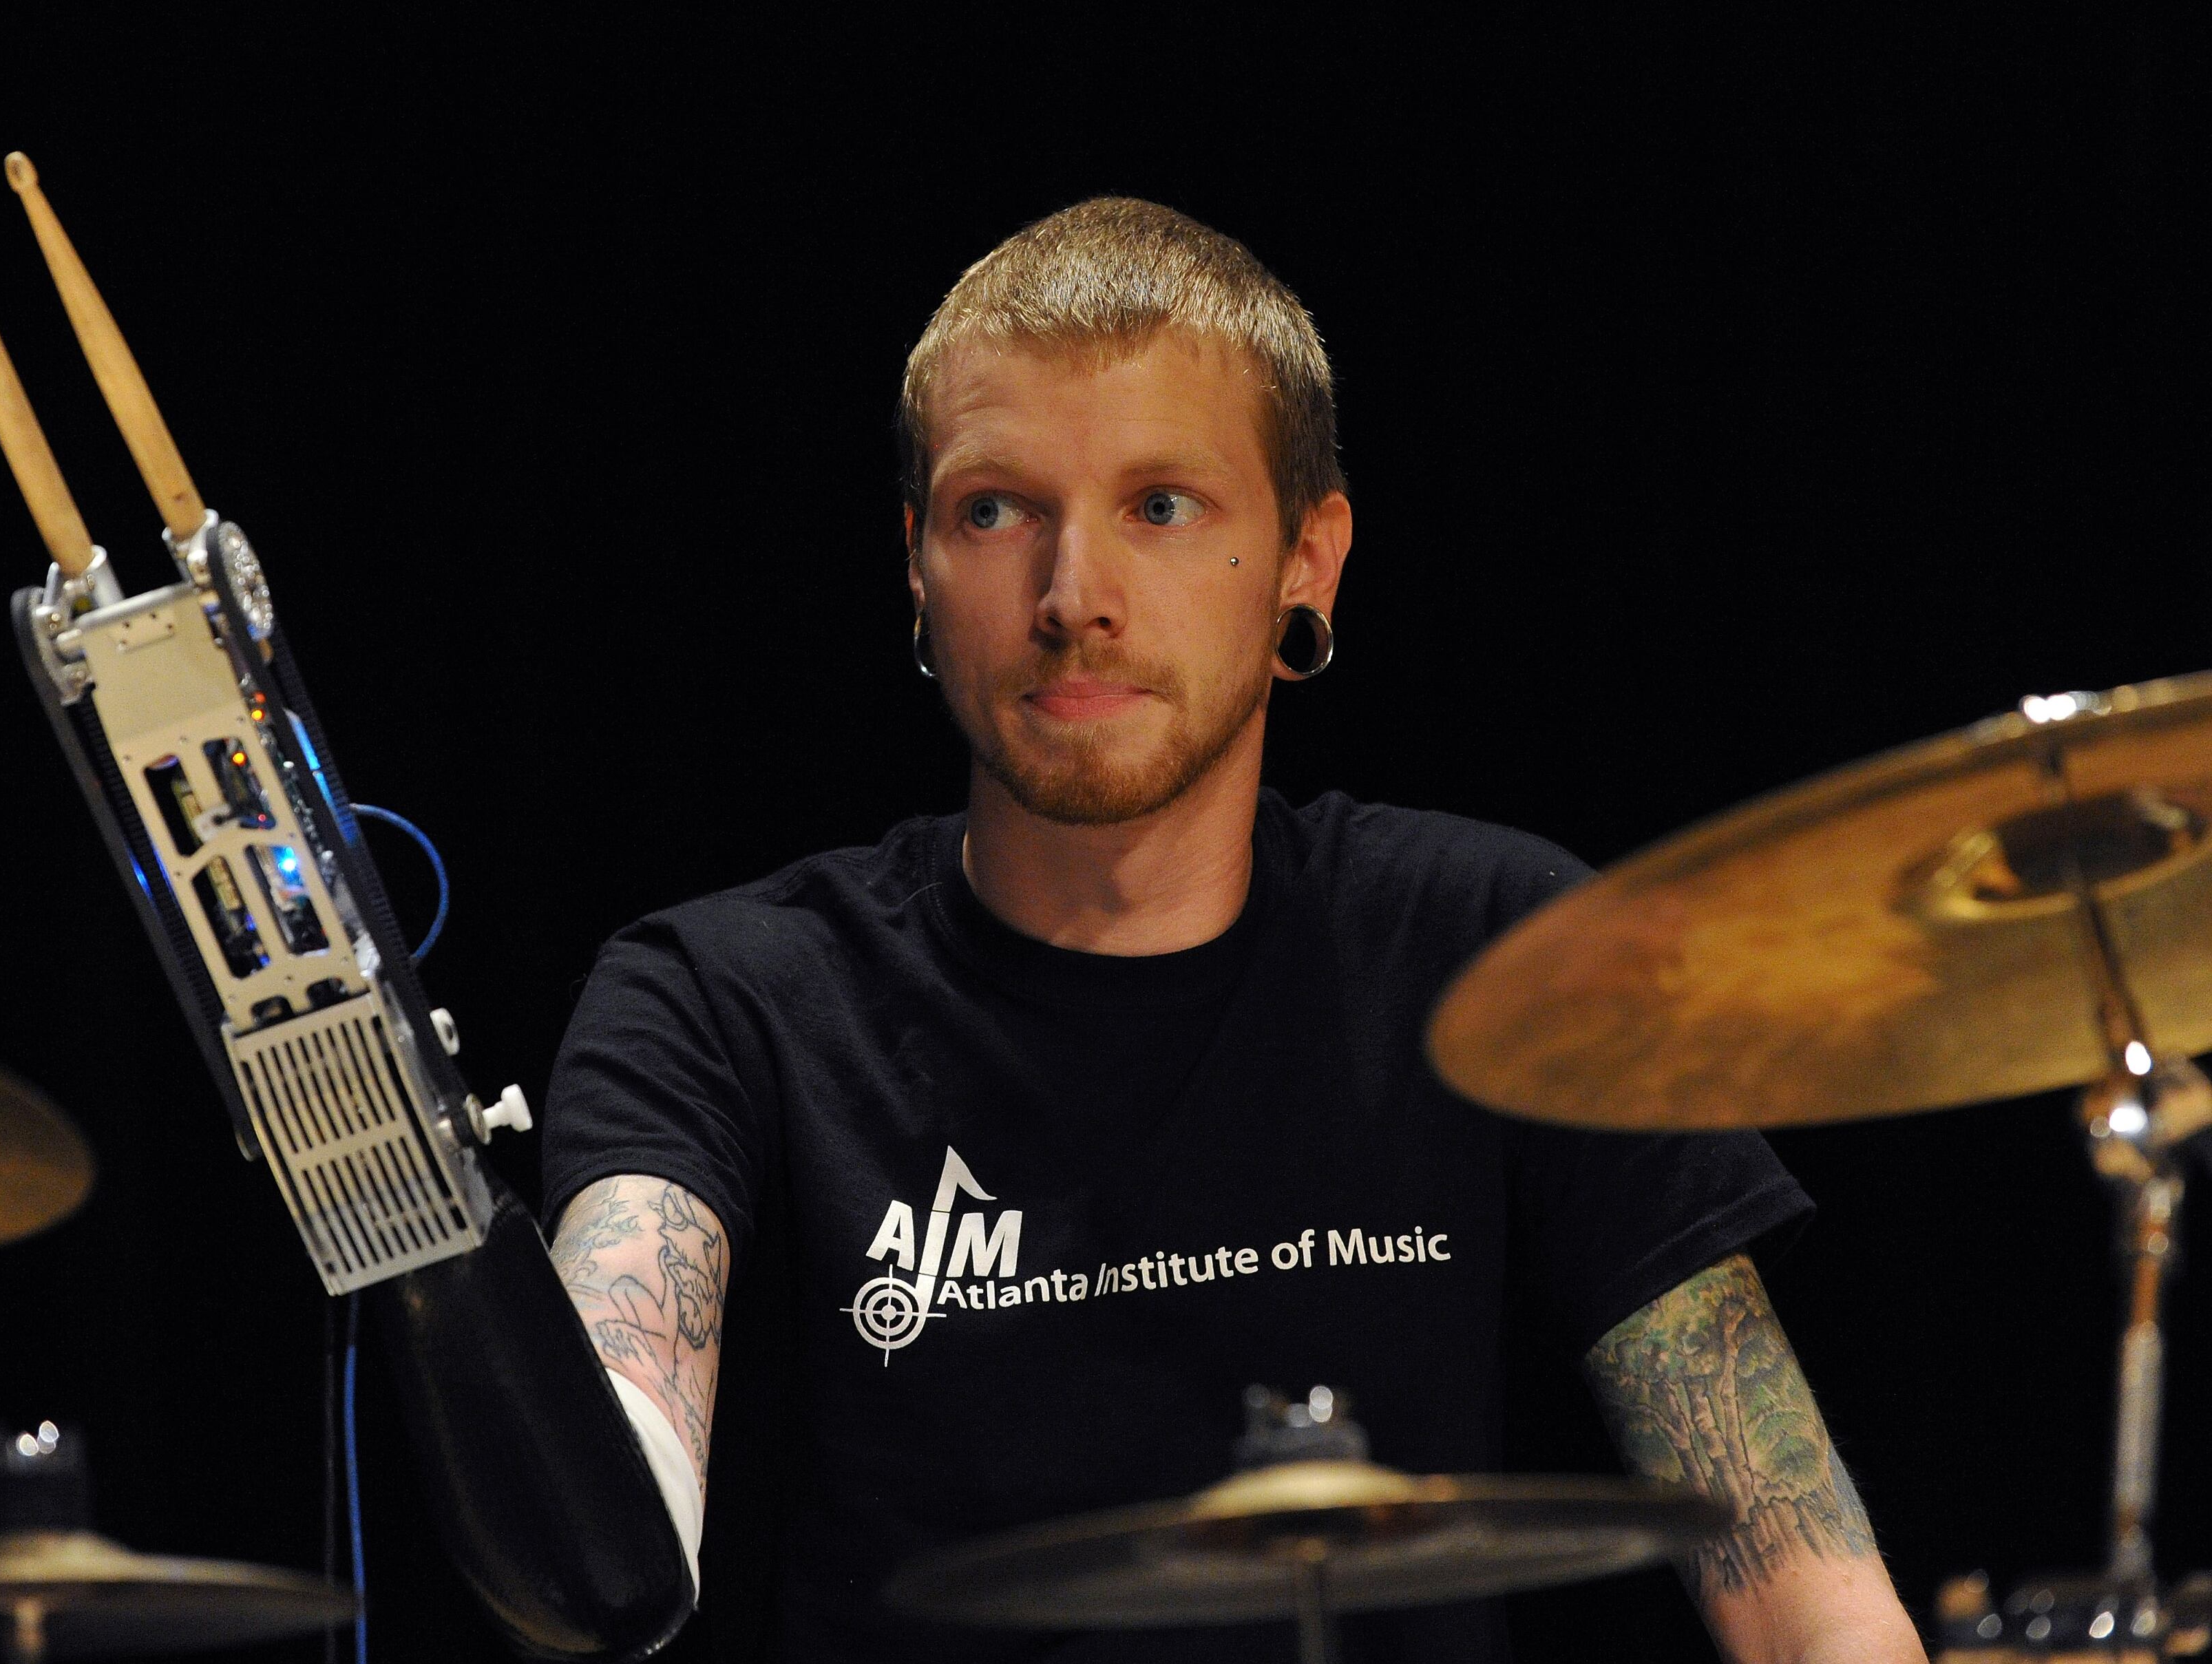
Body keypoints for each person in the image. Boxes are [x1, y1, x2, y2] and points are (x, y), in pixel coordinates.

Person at [537, 198, 1924, 1663]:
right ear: (918, 567)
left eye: (1161, 507)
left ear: (1306, 562)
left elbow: (1810, 1606)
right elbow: (597, 1514)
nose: (1076, 601)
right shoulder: (722, 998)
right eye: (995, 509)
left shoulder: (1504, 951)